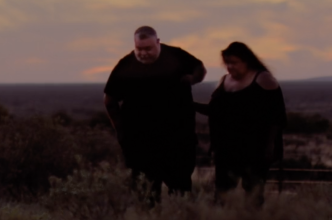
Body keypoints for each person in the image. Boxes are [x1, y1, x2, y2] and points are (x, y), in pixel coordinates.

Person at [103, 26, 206, 202]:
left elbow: (200, 68)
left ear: (158, 43)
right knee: (146, 194)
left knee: (181, 191)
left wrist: (193, 79)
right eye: (139, 49)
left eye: (148, 48)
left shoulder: (176, 56)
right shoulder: (126, 66)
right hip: (141, 143)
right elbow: (110, 101)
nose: (143, 53)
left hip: (178, 139)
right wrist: (121, 131)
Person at [195, 42, 287, 204]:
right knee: (222, 191)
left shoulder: (263, 79)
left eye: (234, 63)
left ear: (247, 61)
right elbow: (215, 110)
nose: (230, 67)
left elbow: (276, 116)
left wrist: (270, 145)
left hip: (254, 147)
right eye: (227, 63)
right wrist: (189, 104)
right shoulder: (225, 81)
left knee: (253, 192)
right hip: (226, 147)